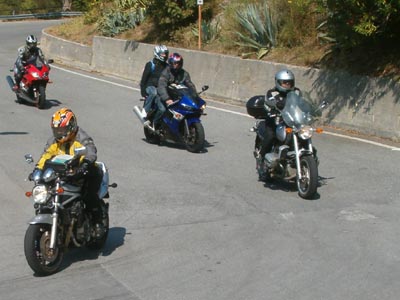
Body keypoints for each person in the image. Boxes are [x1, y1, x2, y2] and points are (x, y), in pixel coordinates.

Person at [33, 108, 105, 237]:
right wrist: (37, 168)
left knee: (89, 196)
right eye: (56, 130)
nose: (59, 133)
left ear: (71, 126)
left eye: (61, 130)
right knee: (46, 195)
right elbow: (46, 155)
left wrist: (85, 164)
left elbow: (91, 151)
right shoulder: (54, 141)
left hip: (86, 172)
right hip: (65, 173)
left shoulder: (81, 137)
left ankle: (97, 222)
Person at [257, 69, 302, 181]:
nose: (287, 84)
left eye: (290, 82)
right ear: (278, 82)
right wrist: (274, 105)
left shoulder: (296, 92)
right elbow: (268, 102)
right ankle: (261, 160)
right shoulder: (272, 92)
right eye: (284, 82)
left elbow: (302, 103)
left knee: (304, 136)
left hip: (291, 121)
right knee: (270, 136)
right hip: (275, 121)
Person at [157, 52, 197, 118]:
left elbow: (190, 84)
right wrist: (167, 99)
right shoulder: (166, 72)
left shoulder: (184, 73)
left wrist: (195, 96)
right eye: (175, 63)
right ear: (171, 63)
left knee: (186, 110)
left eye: (178, 63)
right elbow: (161, 86)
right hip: (165, 96)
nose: (177, 65)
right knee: (162, 110)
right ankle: (154, 125)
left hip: (177, 97)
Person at [139, 44, 169, 128]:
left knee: (163, 109)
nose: (165, 55)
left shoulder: (167, 66)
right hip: (150, 86)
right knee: (154, 93)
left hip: (161, 89)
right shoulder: (150, 64)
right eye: (163, 54)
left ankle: (156, 124)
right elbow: (143, 79)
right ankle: (145, 110)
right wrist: (143, 92)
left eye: (166, 53)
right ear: (157, 53)